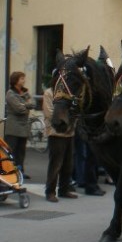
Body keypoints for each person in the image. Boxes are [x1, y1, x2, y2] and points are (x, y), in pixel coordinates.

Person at [43, 70, 77, 202]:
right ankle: (50, 191)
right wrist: (66, 122)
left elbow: (73, 111)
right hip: (56, 133)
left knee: (68, 164)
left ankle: (64, 189)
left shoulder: (68, 93)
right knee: (55, 164)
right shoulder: (49, 93)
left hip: (69, 133)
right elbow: (50, 113)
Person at [4, 71, 35, 179]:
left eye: (24, 78)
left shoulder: (25, 92)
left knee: (21, 151)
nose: (24, 80)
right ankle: (9, 171)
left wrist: (24, 105)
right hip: (13, 127)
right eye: (22, 78)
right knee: (11, 151)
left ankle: (20, 171)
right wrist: (26, 106)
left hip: (23, 127)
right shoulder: (10, 93)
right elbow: (19, 109)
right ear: (15, 80)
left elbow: (33, 104)